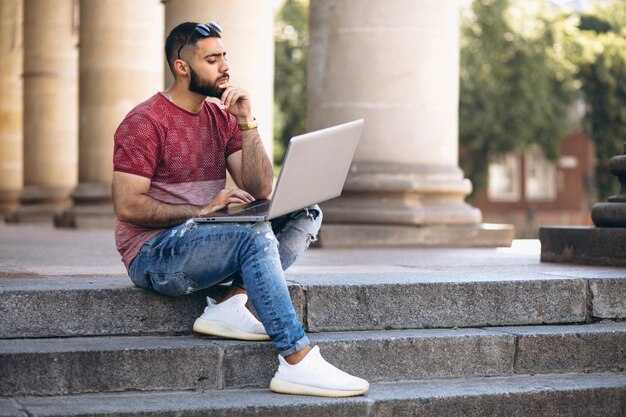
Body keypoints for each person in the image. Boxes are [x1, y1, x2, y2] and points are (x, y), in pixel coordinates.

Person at [111, 21, 368, 398]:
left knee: (304, 212)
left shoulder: (222, 118)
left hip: (203, 238)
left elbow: (260, 188)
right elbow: (127, 205)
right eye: (212, 59)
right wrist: (200, 209)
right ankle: (296, 360)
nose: (224, 67)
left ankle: (230, 302)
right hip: (154, 255)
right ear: (182, 68)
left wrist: (247, 121)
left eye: (224, 57)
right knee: (253, 235)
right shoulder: (144, 122)